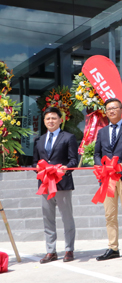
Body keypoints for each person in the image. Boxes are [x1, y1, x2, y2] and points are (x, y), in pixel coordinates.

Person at [94, 98, 122, 261]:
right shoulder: (102, 132)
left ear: (121, 110)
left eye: (115, 108)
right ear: (106, 113)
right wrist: (101, 166)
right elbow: (97, 153)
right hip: (107, 178)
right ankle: (113, 248)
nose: (111, 111)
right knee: (110, 214)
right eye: (108, 109)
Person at [32, 107, 78, 263]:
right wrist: (37, 168)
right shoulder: (39, 140)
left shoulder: (69, 137)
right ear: (44, 122)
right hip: (45, 184)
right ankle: (51, 251)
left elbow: (74, 160)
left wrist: (66, 169)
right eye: (47, 119)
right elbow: (34, 161)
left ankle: (69, 250)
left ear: (60, 120)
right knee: (48, 218)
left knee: (67, 218)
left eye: (53, 118)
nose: (50, 121)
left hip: (62, 183)